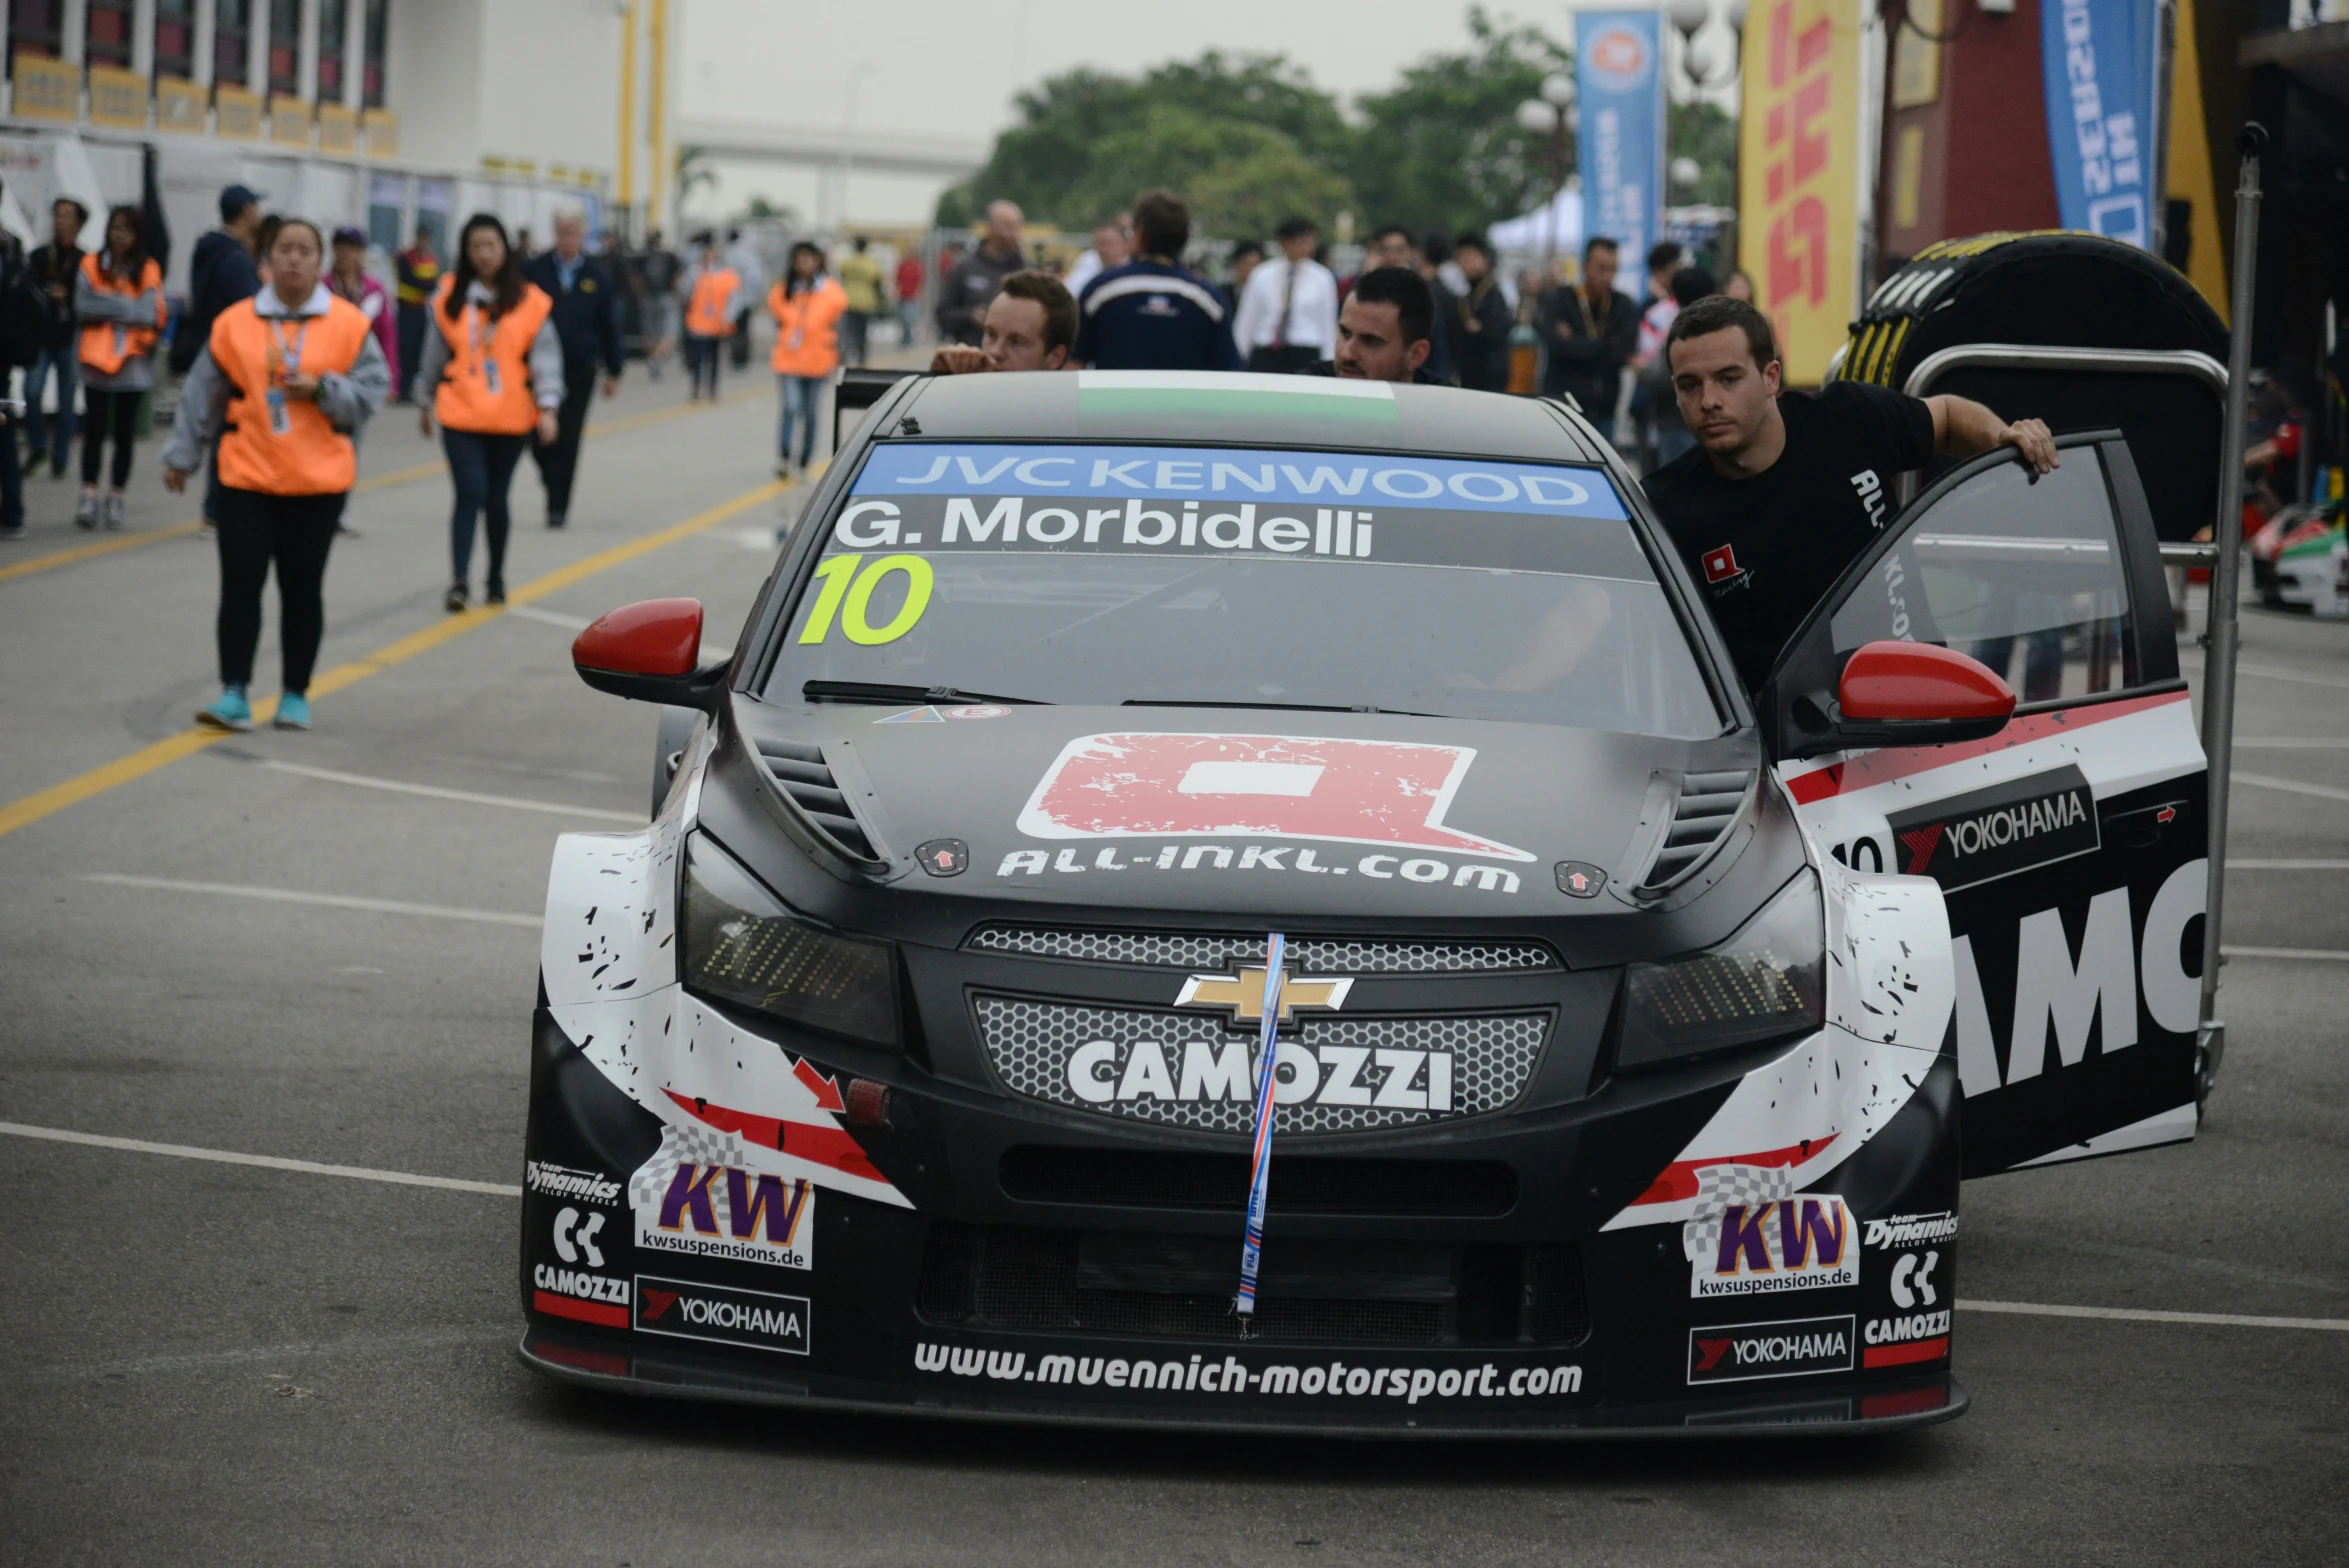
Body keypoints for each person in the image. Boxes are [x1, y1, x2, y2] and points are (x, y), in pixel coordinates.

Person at [1644, 295, 2058, 694]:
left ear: (1771, 377)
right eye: (1690, 386)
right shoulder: (1666, 509)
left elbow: (1947, 415)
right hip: (1784, 745)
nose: (1709, 401)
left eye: (1728, 379)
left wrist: (2002, 437)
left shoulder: (1847, 419)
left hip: (1920, 696)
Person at [163, 219, 391, 732]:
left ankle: (294, 694)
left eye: (304, 251)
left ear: (319, 261)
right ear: (267, 260)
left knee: (301, 590)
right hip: (246, 476)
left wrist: (324, 389)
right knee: (240, 585)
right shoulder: (235, 323)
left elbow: (374, 392)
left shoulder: (348, 323)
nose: (293, 259)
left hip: (317, 483)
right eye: (284, 250)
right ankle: (234, 693)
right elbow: (202, 391)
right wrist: (182, 456)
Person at [413, 213, 560, 612]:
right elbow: (433, 354)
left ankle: (495, 576)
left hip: (511, 416)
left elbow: (546, 360)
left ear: (505, 249)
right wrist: (423, 400)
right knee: (469, 492)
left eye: (491, 245)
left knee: (497, 498)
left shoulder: (530, 301)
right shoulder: (449, 299)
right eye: (475, 246)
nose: (484, 254)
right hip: (460, 413)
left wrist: (547, 406)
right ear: (465, 251)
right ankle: (459, 581)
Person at [522, 209, 623, 529]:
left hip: (580, 369)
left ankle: (558, 505)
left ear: (582, 236)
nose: (568, 239)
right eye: (563, 232)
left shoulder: (596, 276)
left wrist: (614, 370)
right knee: (534, 435)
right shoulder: (535, 271)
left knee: (568, 438)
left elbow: (609, 326)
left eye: (574, 233)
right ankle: (551, 479)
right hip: (536, 370)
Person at [1072, 190, 1239, 372]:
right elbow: (1230, 370)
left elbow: (1073, 365)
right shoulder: (1209, 301)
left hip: (1114, 400)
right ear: (1183, 238)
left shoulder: (1099, 292)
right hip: (1184, 401)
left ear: (1140, 234)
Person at [72, 206, 164, 531]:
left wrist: (106, 304)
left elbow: (148, 314)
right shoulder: (91, 264)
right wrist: (127, 306)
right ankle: (88, 494)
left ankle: (116, 496)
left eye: (126, 229)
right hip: (96, 361)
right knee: (93, 431)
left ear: (137, 235)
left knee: (124, 435)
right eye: (115, 228)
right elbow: (82, 305)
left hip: (132, 364)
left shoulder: (149, 268)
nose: (119, 234)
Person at [1537, 236, 1638, 442]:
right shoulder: (1561, 299)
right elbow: (1556, 345)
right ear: (1585, 267)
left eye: (1613, 269)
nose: (1607, 276)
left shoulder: (1622, 304)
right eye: (1601, 268)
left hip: (1604, 411)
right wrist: (1604, 345)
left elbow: (1622, 352)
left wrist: (1575, 341)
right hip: (1563, 410)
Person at [769, 241, 846, 478]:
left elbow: (838, 323)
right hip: (789, 360)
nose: (805, 264)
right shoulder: (785, 290)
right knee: (791, 407)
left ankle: (804, 460)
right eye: (800, 260)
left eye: (809, 259)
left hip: (818, 361)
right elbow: (778, 315)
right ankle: (784, 456)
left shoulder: (830, 291)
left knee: (811, 413)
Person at [23, 197, 88, 482]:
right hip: (42, 336)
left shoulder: (85, 261)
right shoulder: (40, 256)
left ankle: (60, 455)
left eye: (67, 216)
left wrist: (68, 298)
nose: (61, 221)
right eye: (57, 215)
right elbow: (26, 290)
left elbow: (89, 301)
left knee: (66, 400)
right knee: (32, 391)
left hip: (70, 336)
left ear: (79, 223)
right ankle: (38, 445)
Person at [1233, 216, 1337, 373]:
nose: (1310, 246)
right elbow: (1247, 320)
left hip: (1305, 352)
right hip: (1267, 353)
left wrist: (1329, 363)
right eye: (1303, 240)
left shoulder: (1322, 278)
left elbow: (1328, 324)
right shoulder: (1262, 274)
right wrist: (1237, 361)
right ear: (1286, 242)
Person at [928, 270, 1076, 374]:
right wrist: (941, 382)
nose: (995, 351)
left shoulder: (1078, 413)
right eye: (991, 334)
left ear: (1054, 357)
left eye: (1016, 342)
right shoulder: (967, 391)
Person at [938, 201, 1027, 346]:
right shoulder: (964, 267)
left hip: (1013, 364)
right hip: (971, 357)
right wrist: (970, 316)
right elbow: (942, 314)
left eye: (1016, 226)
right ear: (990, 227)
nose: (1013, 233)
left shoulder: (1026, 272)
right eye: (1007, 226)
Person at [1330, 266, 1438, 384]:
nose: (1347, 354)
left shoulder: (1447, 400)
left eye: (1370, 341)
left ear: (1415, 355)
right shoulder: (1309, 389)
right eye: (1345, 333)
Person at [326, 226, 399, 394]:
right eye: (340, 248)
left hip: (364, 367)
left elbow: (387, 335)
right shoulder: (322, 287)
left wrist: (391, 378)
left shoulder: (374, 290)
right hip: (328, 368)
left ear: (360, 252)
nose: (345, 253)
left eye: (351, 248)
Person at [1448, 233, 1514, 393]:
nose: (1465, 263)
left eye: (1471, 257)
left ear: (1485, 260)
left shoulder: (1494, 294)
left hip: (1491, 374)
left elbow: (1500, 331)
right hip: (1469, 374)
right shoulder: (1467, 296)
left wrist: (1479, 330)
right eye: (1461, 258)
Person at [680, 233, 739, 402]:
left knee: (713, 359)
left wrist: (729, 315)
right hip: (697, 324)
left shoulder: (726, 275)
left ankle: (712, 388)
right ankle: (696, 388)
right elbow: (685, 293)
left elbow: (734, 298)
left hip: (716, 325)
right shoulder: (694, 274)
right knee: (697, 358)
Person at [394, 224, 441, 401]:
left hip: (422, 309)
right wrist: (425, 285)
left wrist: (425, 285)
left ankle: (412, 389)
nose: (424, 242)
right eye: (421, 238)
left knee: (418, 350)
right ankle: (401, 388)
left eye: (426, 239)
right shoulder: (405, 257)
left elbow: (433, 283)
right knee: (405, 349)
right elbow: (409, 279)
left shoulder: (431, 259)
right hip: (406, 308)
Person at [637, 229, 682, 380]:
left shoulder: (643, 257)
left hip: (648, 297)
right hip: (666, 296)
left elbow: (637, 280)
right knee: (669, 333)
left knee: (649, 333)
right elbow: (676, 278)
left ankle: (652, 359)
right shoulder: (669, 256)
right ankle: (658, 357)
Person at [835, 236, 884, 368]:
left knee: (847, 332)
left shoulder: (848, 262)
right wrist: (881, 300)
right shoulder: (871, 263)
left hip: (848, 300)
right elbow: (877, 282)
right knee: (862, 334)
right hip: (865, 302)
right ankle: (861, 360)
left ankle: (843, 359)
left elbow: (842, 276)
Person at [723, 228, 764, 370]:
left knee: (734, 330)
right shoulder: (750, 256)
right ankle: (741, 358)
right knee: (743, 330)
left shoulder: (729, 254)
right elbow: (755, 279)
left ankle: (736, 357)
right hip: (746, 299)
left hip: (732, 299)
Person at [1064, 214, 1129, 300]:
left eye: (1109, 243)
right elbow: (1073, 293)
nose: (1104, 249)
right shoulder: (1087, 260)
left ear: (1124, 244)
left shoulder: (1134, 266)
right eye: (1100, 244)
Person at [893, 248, 924, 347]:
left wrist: (918, 292)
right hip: (902, 295)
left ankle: (908, 338)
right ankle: (905, 337)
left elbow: (920, 281)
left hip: (911, 296)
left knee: (908, 318)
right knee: (902, 317)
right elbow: (897, 279)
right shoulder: (902, 266)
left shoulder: (916, 266)